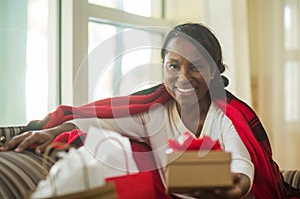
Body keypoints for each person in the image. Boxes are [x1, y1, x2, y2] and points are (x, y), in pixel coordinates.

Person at [0, 23, 298, 199]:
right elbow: (94, 123)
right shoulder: (152, 114)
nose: (184, 76)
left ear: (214, 72)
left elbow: (242, 164)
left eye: (197, 67)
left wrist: (236, 187)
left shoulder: (225, 119)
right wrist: (50, 132)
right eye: (173, 65)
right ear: (163, 68)